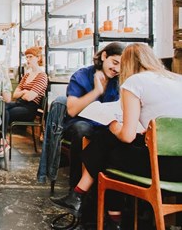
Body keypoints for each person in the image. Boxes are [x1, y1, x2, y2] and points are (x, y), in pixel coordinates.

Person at [50, 43, 182, 229]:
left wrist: (112, 124)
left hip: (159, 168)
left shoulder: (134, 83)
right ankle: (92, 203)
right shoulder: (178, 79)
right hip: (179, 167)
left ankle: (92, 205)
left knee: (108, 145)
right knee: (110, 143)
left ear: (127, 64)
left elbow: (127, 136)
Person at [63, 42, 124, 188]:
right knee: (82, 129)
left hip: (108, 125)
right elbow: (71, 110)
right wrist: (96, 91)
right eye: (114, 62)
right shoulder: (81, 76)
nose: (117, 69)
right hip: (80, 123)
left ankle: (112, 196)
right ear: (104, 56)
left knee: (120, 135)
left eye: (122, 66)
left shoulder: (120, 81)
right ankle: (76, 190)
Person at [4, 46, 48, 153]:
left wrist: (23, 93)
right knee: (1, 107)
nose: (28, 60)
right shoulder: (27, 75)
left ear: (38, 58)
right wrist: (24, 92)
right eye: (26, 57)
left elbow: (30, 97)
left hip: (30, 109)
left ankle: (2, 141)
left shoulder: (42, 76)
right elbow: (15, 94)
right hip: (19, 103)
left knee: (4, 112)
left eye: (30, 57)